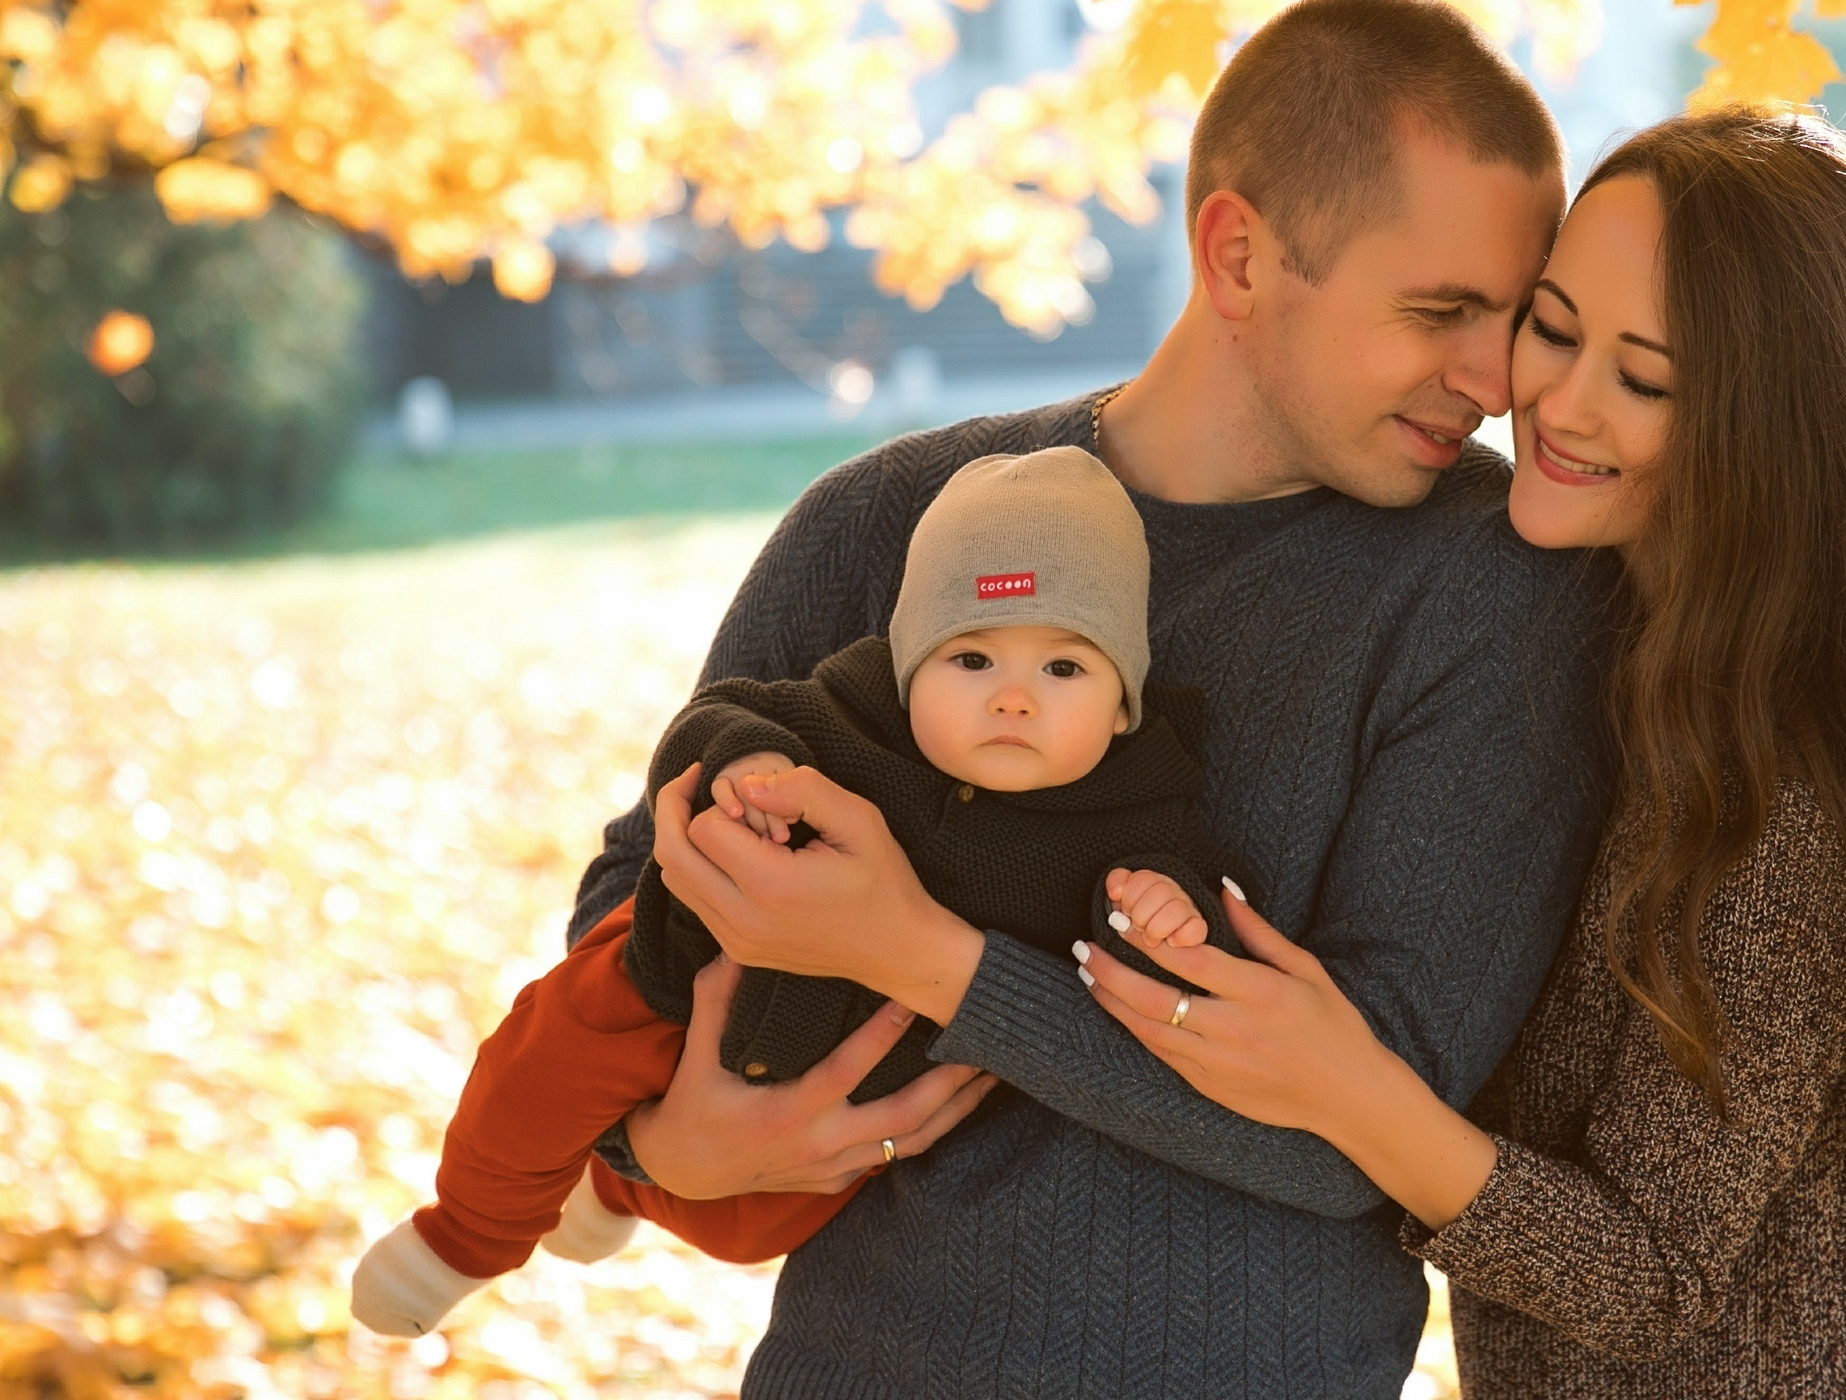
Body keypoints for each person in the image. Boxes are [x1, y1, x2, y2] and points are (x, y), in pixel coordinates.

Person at [568, 0, 1616, 1400]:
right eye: (1441, 310)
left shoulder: (1494, 593)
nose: (1495, 372)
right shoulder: (885, 523)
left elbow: (1376, 1126)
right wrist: (662, 1143)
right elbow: (634, 901)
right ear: (1240, 254)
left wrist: (923, 952)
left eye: (1516, 317)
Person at [1079, 108, 1846, 1400]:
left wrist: (1345, 1084)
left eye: (1645, 377)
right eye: (1554, 326)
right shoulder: (1611, 650)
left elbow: (1652, 1267)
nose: (1558, 405)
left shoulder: (1791, 769)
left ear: (1770, 429)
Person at [348, 447, 1248, 1339]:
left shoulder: (1137, 813)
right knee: (542, 1073)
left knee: (750, 1224)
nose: (1013, 699)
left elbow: (1165, 939)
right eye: (970, 659)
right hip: (688, 965)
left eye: (1064, 669)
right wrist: (749, 761)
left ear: (1124, 702)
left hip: (851, 1078)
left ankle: (610, 1182)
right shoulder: (844, 711)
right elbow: (712, 717)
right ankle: (466, 1238)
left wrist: (1165, 913)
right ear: (909, 665)